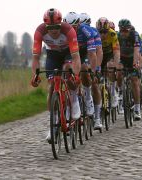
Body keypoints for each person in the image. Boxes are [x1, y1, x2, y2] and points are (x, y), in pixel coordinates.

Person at [31, 8, 81, 142]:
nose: (53, 30)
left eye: (56, 27)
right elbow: (36, 58)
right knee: (52, 85)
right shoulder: (39, 31)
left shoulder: (69, 30)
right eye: (50, 27)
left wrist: (76, 75)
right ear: (45, 26)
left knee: (67, 68)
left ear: (61, 24)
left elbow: (76, 57)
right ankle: (53, 124)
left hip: (68, 53)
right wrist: (35, 75)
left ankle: (74, 99)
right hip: (52, 55)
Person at [64, 12, 103, 129]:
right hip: (72, 53)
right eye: (70, 27)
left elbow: (93, 53)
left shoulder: (87, 31)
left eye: (75, 27)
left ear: (79, 24)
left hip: (85, 52)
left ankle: (95, 114)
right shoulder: (65, 32)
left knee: (87, 73)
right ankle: (70, 107)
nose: (72, 29)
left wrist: (95, 70)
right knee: (66, 72)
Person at [116, 19, 142, 120]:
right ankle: (120, 92)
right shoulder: (117, 36)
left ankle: (137, 108)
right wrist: (116, 63)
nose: (123, 33)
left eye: (126, 31)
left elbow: (136, 51)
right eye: (121, 31)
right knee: (119, 72)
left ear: (129, 29)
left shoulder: (135, 35)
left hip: (132, 57)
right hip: (122, 57)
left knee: (135, 82)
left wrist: (135, 63)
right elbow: (115, 51)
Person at [96, 17, 120, 108]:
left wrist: (116, 65)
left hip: (109, 54)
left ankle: (113, 93)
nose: (102, 35)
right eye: (100, 32)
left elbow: (116, 51)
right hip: (98, 54)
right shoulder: (94, 34)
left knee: (110, 66)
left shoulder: (113, 34)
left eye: (105, 32)